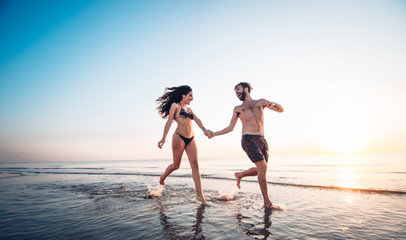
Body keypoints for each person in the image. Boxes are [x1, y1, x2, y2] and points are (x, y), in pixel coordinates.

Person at [207, 82, 284, 208]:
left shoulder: (261, 102)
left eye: (238, 89)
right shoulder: (238, 109)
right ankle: (267, 202)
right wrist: (214, 134)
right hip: (248, 139)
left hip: (262, 139)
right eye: (235, 91)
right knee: (262, 167)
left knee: (262, 170)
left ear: (246, 89)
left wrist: (274, 104)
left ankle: (240, 174)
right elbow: (230, 127)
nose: (236, 93)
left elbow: (281, 110)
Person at [156, 85, 209, 204]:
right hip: (178, 137)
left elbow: (197, 120)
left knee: (195, 166)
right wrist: (163, 138)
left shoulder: (190, 110)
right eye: (190, 96)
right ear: (183, 95)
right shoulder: (175, 106)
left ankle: (200, 195)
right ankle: (163, 177)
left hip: (191, 138)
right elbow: (169, 122)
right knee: (176, 165)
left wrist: (204, 129)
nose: (192, 98)